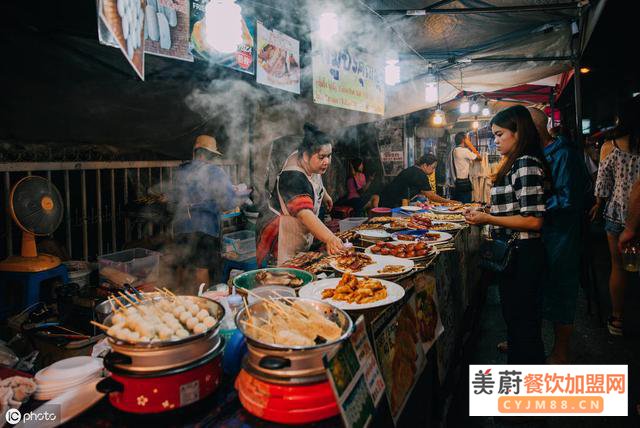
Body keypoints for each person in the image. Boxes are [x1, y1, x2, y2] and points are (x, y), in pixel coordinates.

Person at [464, 105, 550, 364]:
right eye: (495, 135)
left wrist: (488, 218)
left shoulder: (525, 163)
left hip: (523, 254)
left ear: (518, 132)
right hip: (515, 254)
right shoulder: (516, 163)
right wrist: (487, 209)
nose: (496, 140)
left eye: (500, 134)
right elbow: (516, 206)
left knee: (524, 323)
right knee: (516, 319)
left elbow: (534, 220)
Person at [529, 107, 589, 364]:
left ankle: (561, 352)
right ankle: (528, 342)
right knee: (537, 288)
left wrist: (533, 210)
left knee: (561, 290)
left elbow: (569, 200)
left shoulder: (564, 154)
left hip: (562, 235)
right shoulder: (539, 153)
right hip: (543, 233)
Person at [256, 123, 345, 266]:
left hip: (295, 228)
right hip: (278, 233)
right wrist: (330, 238)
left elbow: (315, 177)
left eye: (329, 155)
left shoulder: (308, 162)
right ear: (305, 156)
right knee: (283, 274)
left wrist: (325, 195)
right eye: (322, 157)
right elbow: (304, 214)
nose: (327, 162)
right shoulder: (292, 178)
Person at [591, 96, 640, 336]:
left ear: (620, 117)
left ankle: (618, 319)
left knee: (618, 267)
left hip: (618, 214)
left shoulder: (611, 145)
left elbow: (602, 186)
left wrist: (598, 204)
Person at [171, 135, 243, 287]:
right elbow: (228, 202)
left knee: (182, 265)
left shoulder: (181, 171)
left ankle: (178, 300)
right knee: (201, 269)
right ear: (208, 154)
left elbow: (173, 197)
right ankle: (202, 303)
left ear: (195, 152)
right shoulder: (215, 172)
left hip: (180, 226)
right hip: (204, 228)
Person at [378, 154, 454, 208]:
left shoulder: (413, 170)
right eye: (433, 167)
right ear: (425, 165)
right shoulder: (420, 174)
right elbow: (431, 196)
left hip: (386, 201)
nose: (433, 170)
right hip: (390, 204)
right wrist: (449, 202)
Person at [451, 131, 481, 203]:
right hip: (464, 182)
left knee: (459, 204)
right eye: (467, 139)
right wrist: (470, 145)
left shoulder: (454, 150)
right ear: (463, 140)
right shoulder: (464, 151)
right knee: (466, 205)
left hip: (456, 182)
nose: (469, 140)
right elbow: (480, 158)